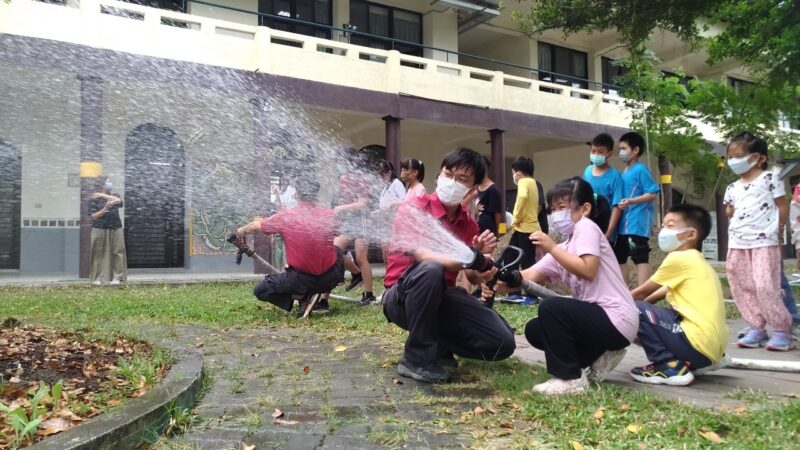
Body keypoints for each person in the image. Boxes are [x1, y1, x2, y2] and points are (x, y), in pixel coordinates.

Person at [493, 177, 638, 395]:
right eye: (552, 209)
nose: (555, 215)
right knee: (536, 330)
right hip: (602, 322)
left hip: (616, 317)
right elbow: (529, 275)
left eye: (562, 208)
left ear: (585, 208)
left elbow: (588, 269)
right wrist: (498, 283)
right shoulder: (565, 246)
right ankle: (600, 355)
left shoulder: (586, 228)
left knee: (553, 309)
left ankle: (570, 379)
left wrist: (550, 247)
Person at [382, 147, 516, 383]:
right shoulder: (413, 208)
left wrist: (484, 268)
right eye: (448, 174)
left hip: (442, 297)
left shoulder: (468, 224)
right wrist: (470, 258)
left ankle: (438, 345)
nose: (452, 182)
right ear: (439, 175)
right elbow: (423, 256)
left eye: (462, 179)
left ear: (472, 189)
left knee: (501, 343)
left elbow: (472, 277)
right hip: (400, 298)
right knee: (431, 270)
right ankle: (416, 358)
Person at [629, 204, 728, 386]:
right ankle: (689, 362)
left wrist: (612, 305)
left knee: (633, 308)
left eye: (671, 226)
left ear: (691, 234)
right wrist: (645, 309)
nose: (663, 231)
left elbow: (642, 292)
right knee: (640, 309)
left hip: (695, 345)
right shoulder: (696, 259)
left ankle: (668, 365)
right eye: (663, 225)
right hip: (710, 351)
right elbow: (660, 292)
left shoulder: (678, 258)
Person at [236, 177, 345, 317]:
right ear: (316, 196)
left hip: (300, 281)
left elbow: (255, 226)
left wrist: (240, 231)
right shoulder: (328, 215)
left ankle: (300, 298)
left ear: (296, 195)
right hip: (329, 279)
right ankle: (318, 297)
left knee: (260, 291)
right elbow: (340, 232)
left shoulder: (286, 217)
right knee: (337, 250)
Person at [724, 132, 793, 351]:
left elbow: (782, 205)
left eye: (739, 155)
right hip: (737, 242)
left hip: (764, 241)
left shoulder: (769, 178)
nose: (733, 160)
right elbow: (730, 210)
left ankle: (782, 329)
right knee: (742, 285)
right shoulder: (732, 187)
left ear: (759, 158)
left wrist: (779, 229)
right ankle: (757, 327)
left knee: (766, 285)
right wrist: (730, 211)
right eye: (730, 156)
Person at [615, 132, 660, 287]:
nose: (621, 152)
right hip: (623, 225)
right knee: (620, 258)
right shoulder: (624, 172)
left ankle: (643, 296)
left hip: (637, 223)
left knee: (640, 258)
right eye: (620, 148)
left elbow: (652, 193)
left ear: (635, 150)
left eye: (624, 148)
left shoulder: (641, 169)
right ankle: (623, 294)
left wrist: (631, 201)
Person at [334, 150, 376, 306]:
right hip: (348, 222)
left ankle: (369, 294)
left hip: (361, 221)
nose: (338, 165)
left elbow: (362, 203)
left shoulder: (360, 178)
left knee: (361, 257)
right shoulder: (343, 179)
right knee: (334, 249)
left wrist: (341, 208)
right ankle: (356, 273)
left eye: (340, 161)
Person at [504, 156, 541, 300]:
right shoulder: (533, 182)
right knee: (511, 256)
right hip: (527, 229)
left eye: (513, 172)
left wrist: (515, 218)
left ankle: (530, 295)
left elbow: (522, 199)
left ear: (518, 172)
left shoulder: (524, 182)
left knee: (525, 262)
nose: (514, 176)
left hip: (524, 228)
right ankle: (514, 292)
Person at [583, 133, 624, 243]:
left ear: (609, 153)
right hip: (588, 228)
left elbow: (617, 207)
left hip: (605, 230)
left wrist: (609, 232)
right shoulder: (587, 171)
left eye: (600, 152)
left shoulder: (615, 177)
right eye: (593, 151)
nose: (596, 154)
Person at [88, 176, 127, 285]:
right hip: (99, 228)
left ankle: (117, 278)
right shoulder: (93, 199)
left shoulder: (114, 196)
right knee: (97, 253)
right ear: (102, 184)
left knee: (118, 251)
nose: (110, 183)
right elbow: (94, 216)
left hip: (116, 227)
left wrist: (102, 195)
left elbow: (119, 201)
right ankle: (96, 278)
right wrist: (105, 208)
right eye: (108, 181)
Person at [375, 160, 406, 263]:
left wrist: (392, 204)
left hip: (393, 224)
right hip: (384, 225)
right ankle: (388, 277)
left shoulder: (397, 184)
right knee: (385, 256)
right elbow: (385, 206)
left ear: (389, 173)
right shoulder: (385, 187)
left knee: (390, 256)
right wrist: (378, 211)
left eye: (381, 176)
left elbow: (405, 201)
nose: (379, 179)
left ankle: (393, 278)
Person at [475, 156, 504, 237]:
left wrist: (501, 238)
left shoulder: (493, 190)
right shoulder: (475, 187)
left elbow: (499, 218)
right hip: (475, 234)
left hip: (488, 236)